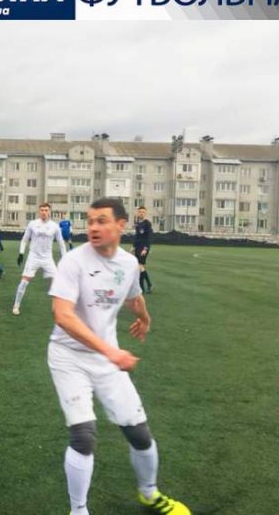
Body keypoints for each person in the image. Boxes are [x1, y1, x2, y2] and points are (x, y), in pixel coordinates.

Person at [48, 198, 190, 515]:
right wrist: (111, 351)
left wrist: (145, 319)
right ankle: (78, 510)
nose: (93, 227)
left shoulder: (127, 264)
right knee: (84, 436)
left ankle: (150, 494)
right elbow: (62, 315)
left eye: (101, 221)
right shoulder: (73, 261)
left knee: (139, 433)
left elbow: (134, 297)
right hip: (69, 357)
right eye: (90, 221)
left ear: (121, 225)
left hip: (106, 359)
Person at [12, 203, 67, 316]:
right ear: (39, 211)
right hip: (33, 257)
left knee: (58, 283)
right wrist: (21, 253)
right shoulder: (32, 224)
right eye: (42, 210)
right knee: (24, 282)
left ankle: (59, 308)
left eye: (46, 210)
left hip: (47, 258)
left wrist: (65, 258)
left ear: (49, 212)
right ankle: (16, 306)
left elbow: (61, 243)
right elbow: (24, 239)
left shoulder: (55, 226)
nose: (44, 212)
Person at [133, 206, 153, 294]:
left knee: (140, 266)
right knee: (140, 267)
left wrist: (146, 248)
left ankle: (147, 285)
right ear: (138, 213)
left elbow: (149, 237)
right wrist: (134, 246)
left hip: (144, 247)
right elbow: (137, 236)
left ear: (145, 213)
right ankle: (143, 288)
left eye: (143, 212)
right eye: (140, 212)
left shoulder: (147, 223)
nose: (141, 213)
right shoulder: (138, 223)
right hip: (138, 247)